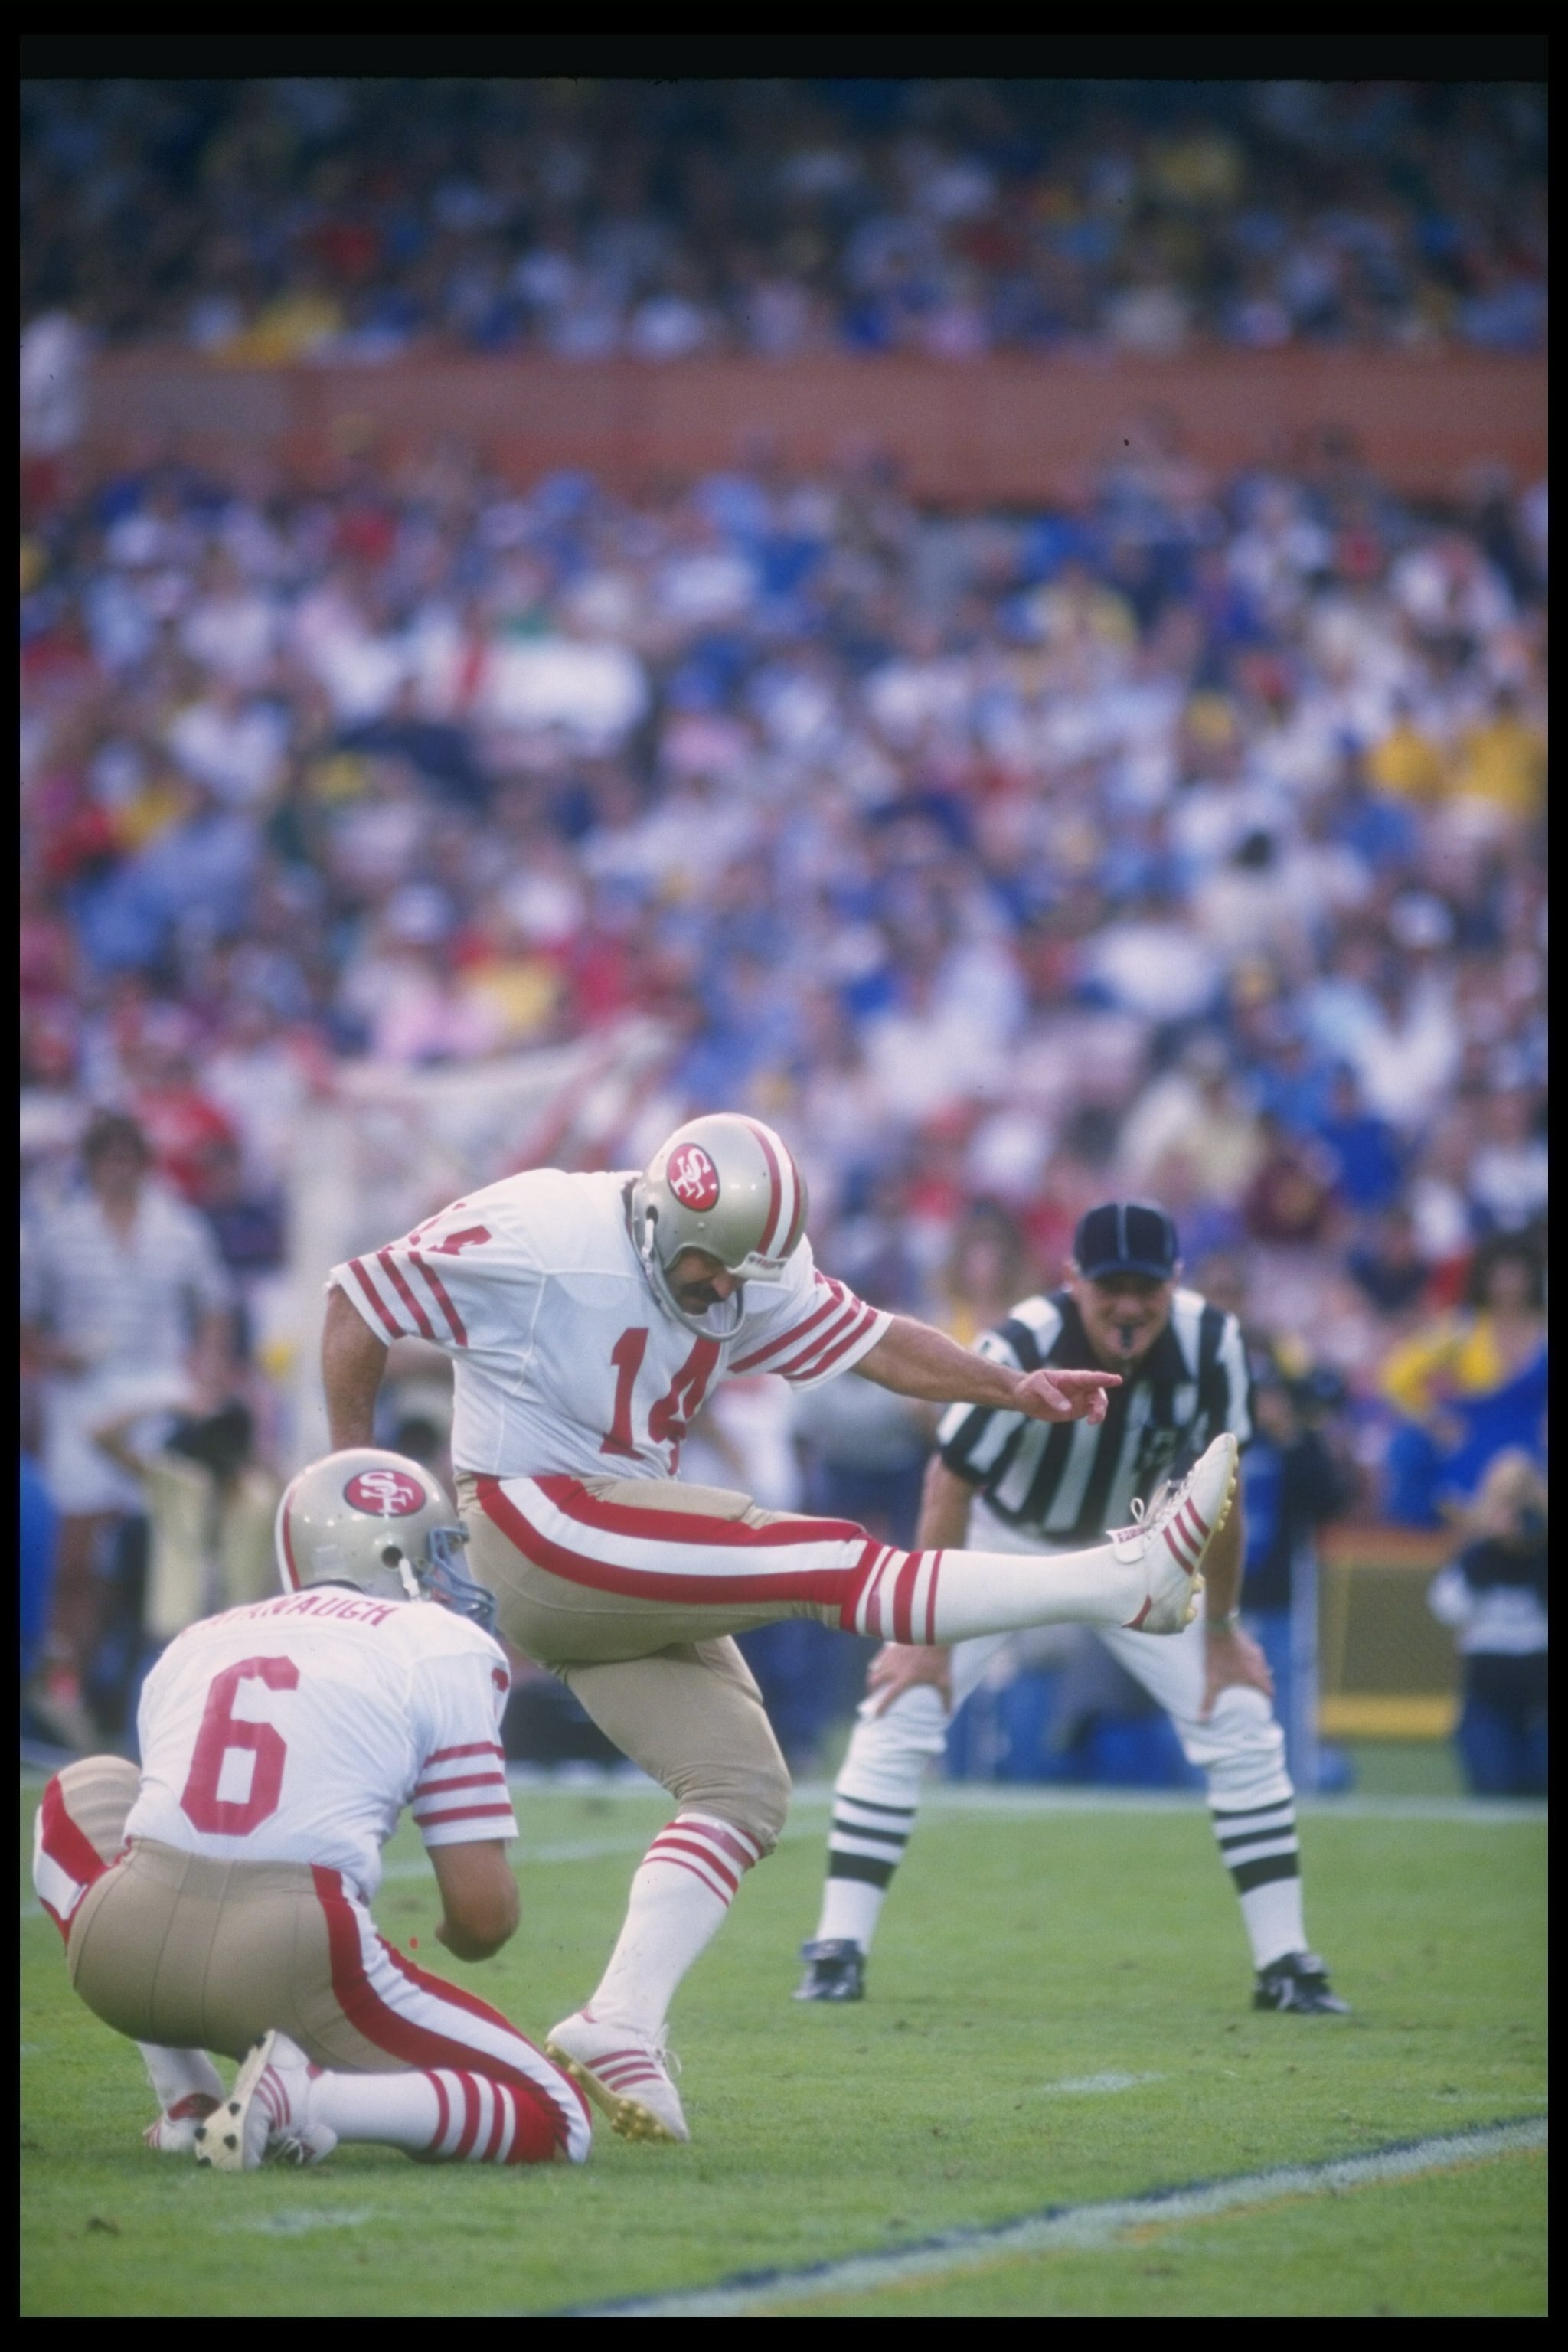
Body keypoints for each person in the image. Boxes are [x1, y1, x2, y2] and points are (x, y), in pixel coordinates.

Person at [320, 1114, 1240, 2144]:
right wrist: (360, 1480)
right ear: (661, 1220)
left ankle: (619, 2022)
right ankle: (1119, 1582)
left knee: (745, 1788)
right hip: (534, 1517)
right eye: (711, 1267)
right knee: (825, 1560)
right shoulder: (541, 1228)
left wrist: (1009, 1388)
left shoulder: (745, 1266)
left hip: (613, 1539)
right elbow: (358, 1299)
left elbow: (875, 1341)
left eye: (743, 1275)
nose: (725, 1291)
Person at [797, 1200, 1348, 2017]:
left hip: (1135, 1546)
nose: (1127, 1306)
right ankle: (837, 1947)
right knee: (902, 1702)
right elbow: (950, 1480)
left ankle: (1285, 1960)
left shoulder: (1214, 1344)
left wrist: (1225, 1630)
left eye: (1144, 1288)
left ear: (1175, 1282)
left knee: (1236, 1714)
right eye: (1109, 1287)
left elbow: (1222, 1492)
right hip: (1005, 1539)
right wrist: (927, 1635)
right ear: (1072, 1281)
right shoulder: (1021, 1342)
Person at [31, 1448, 591, 2172]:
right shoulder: (444, 1645)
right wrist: (446, 1933)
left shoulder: (198, 1640)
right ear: (396, 1556)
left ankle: (186, 2101)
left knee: (82, 1785)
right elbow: (483, 1919)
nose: (451, 1576)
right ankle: (308, 2098)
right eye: (437, 1555)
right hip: (291, 1952)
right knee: (557, 2117)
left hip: (121, 1954)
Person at [21, 1111, 234, 1742]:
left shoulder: (179, 1228)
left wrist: (206, 1380)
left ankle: (162, 1695)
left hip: (159, 1389)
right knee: (77, 1559)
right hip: (83, 1396)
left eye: (126, 1157)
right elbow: (28, 1320)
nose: (117, 1170)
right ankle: (68, 1694)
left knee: (173, 1551)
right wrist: (58, 1354)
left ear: (143, 1162)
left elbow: (214, 1308)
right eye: (106, 1158)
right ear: (90, 1165)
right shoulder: (57, 1231)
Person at [1381, 1233, 1547, 1527]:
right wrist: (1434, 1420)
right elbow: (1396, 1375)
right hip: (1477, 1446)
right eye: (1501, 1275)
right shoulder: (1464, 1328)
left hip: (1534, 1445)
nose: (1509, 1284)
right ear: (1486, 1278)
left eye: (1517, 1274)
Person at [1427, 1451, 1547, 1797]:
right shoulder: (1478, 1554)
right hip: (1488, 1695)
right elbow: (1447, 1607)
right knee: (1495, 1787)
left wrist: (1535, 1551)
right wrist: (1490, 1550)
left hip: (1540, 1696)